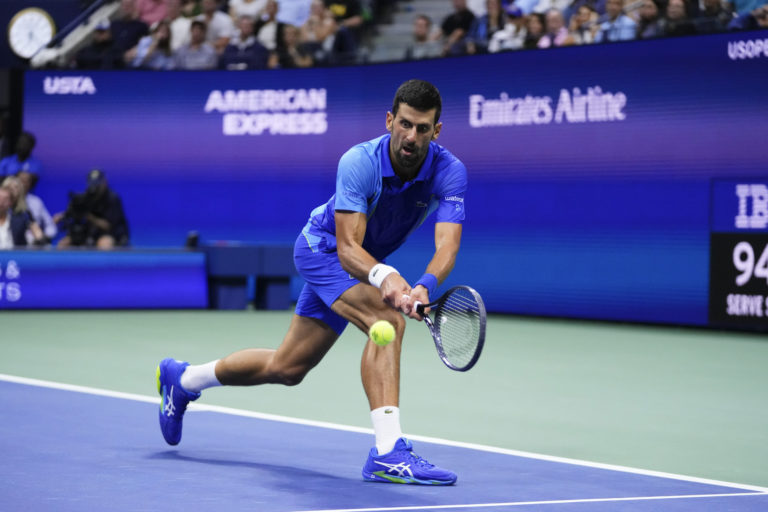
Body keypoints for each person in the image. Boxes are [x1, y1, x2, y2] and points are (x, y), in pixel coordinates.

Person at [156, 79, 466, 485]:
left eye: (422, 128)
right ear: (390, 120)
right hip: (323, 250)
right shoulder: (360, 162)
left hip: (361, 264)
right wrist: (385, 275)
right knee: (386, 320)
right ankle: (389, 452)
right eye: (405, 124)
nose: (411, 137)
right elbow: (348, 249)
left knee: (288, 367)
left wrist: (424, 284)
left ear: (436, 131)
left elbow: (447, 246)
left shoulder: (449, 171)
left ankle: (183, 379)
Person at [54, 169, 130, 249]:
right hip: (88, 233)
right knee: (63, 244)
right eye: (92, 183)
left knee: (104, 244)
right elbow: (74, 212)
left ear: (104, 183)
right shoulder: (84, 197)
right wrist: (62, 216)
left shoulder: (112, 198)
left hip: (111, 234)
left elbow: (109, 226)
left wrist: (89, 216)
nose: (95, 187)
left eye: (97, 183)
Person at [0, 181, 44, 249]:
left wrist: (38, 237)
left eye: (5, 199)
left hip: (15, 255)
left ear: (11, 202)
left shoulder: (21, 220)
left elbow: (39, 238)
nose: (1, 202)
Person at [17, 170, 57, 243]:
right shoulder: (8, 202)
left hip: (36, 242)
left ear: (30, 184)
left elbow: (50, 225)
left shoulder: (36, 202)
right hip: (14, 242)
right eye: (21, 180)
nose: (23, 184)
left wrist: (44, 237)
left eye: (27, 181)